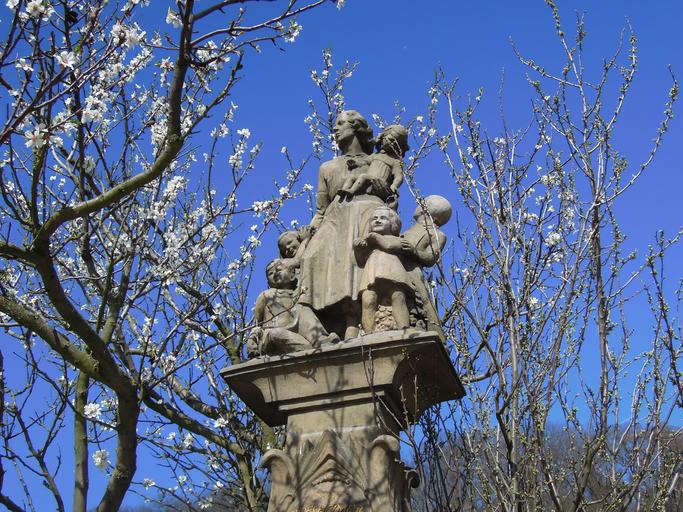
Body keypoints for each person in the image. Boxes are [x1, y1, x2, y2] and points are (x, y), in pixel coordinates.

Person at [297, 111, 399, 341]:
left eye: (341, 123)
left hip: (367, 213)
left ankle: (355, 320)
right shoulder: (327, 167)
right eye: (336, 124)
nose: (335, 129)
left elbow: (392, 196)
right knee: (310, 257)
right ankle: (317, 325)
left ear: (356, 128)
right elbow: (321, 209)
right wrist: (307, 235)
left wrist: (387, 193)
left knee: (357, 251)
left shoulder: (378, 161)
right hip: (334, 217)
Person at [353, 206, 411, 333]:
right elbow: (360, 261)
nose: (377, 220)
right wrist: (358, 248)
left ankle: (404, 328)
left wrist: (373, 237)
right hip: (371, 272)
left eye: (383, 218)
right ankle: (369, 332)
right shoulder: (370, 243)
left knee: (398, 296)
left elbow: (388, 246)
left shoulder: (398, 239)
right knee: (368, 300)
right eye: (374, 219)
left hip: (393, 272)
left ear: (392, 224)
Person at [246, 259, 313, 357]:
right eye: (270, 273)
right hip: (270, 336)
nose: (275, 274)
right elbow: (257, 323)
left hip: (291, 332)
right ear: (268, 282)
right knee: (276, 333)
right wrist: (253, 339)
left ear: (292, 275)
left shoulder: (297, 295)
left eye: (279, 270)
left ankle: (316, 343)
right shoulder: (267, 295)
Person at [338, 124, 408, 207]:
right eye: (390, 140)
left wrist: (394, 185)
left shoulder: (395, 161)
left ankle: (352, 191)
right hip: (369, 179)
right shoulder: (376, 155)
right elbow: (364, 162)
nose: (392, 143)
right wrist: (355, 164)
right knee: (352, 177)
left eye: (395, 144)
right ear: (383, 138)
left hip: (380, 182)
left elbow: (399, 176)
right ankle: (344, 190)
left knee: (363, 176)